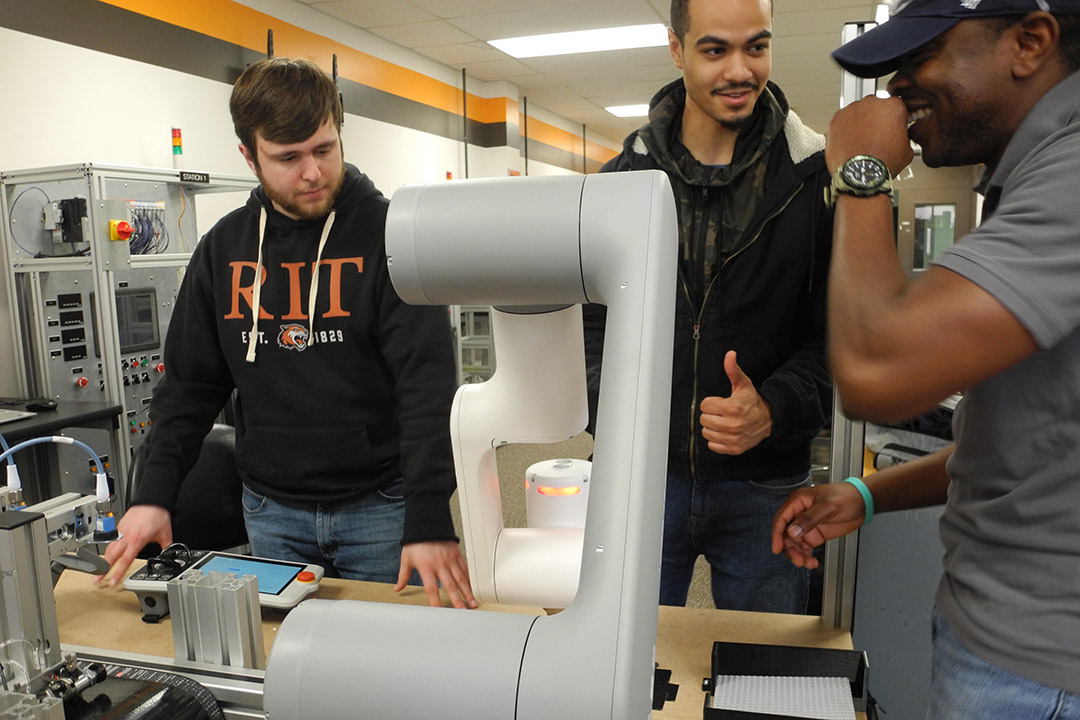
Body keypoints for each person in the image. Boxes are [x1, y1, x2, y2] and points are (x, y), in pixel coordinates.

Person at [771, 1, 1080, 717]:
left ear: (1028, 42)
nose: (899, 87)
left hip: (1038, 672)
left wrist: (861, 174)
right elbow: (1027, 444)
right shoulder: (1033, 176)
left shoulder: (1069, 177)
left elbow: (878, 372)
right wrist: (870, 493)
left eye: (923, 57)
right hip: (1005, 640)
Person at [101, 57, 476, 609]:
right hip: (271, 511)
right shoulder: (223, 250)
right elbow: (188, 387)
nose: (313, 173)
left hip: (382, 509)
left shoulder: (392, 238)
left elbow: (427, 388)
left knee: (392, 674)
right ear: (248, 156)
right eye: (288, 158)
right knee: (285, 670)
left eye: (324, 149)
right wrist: (155, 495)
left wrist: (427, 513)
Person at [583, 0, 833, 612]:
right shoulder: (619, 183)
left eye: (757, 46)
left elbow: (841, 338)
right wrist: (608, 406)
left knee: (764, 677)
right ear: (677, 48)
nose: (740, 70)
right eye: (716, 49)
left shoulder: (813, 182)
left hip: (766, 484)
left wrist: (774, 408)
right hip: (643, 479)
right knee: (625, 668)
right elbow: (590, 322)